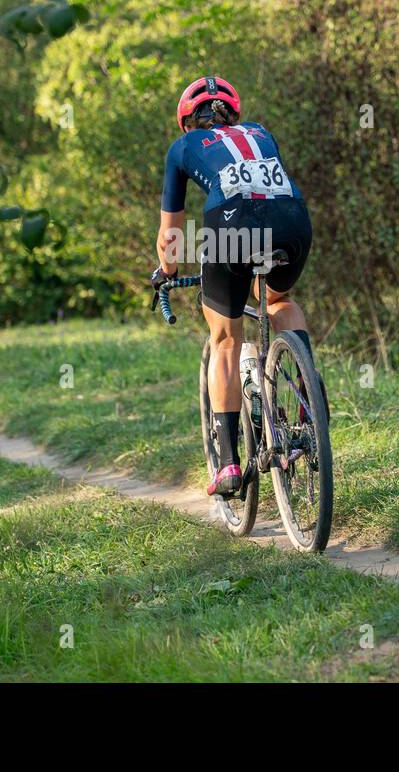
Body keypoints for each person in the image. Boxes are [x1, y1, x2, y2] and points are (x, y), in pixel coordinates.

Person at [151, 75, 318, 497]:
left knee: (225, 337)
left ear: (187, 121)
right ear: (233, 115)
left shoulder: (183, 147)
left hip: (233, 225)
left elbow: (171, 234)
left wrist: (167, 272)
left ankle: (227, 464)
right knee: (279, 302)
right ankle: (311, 405)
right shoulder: (261, 133)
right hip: (293, 221)